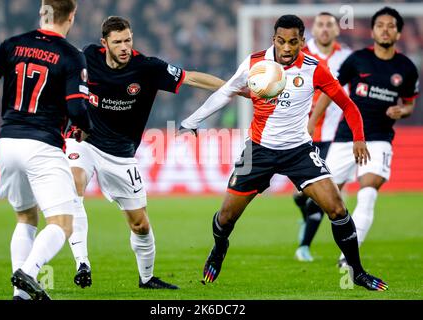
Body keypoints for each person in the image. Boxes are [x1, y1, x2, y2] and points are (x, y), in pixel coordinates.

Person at [180, 15, 388, 291]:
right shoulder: (255, 63)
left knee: (337, 209)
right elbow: (226, 92)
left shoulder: (315, 69)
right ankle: (219, 249)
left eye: (293, 42)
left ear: (303, 41)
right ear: (273, 40)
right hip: (257, 151)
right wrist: (192, 121)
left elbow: (348, 105)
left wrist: (358, 139)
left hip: (298, 151)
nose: (287, 48)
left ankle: (357, 271)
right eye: (281, 41)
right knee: (227, 216)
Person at [66, 16, 227, 290]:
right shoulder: (88, 57)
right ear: (104, 44)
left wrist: (234, 88)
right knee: (74, 186)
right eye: (117, 42)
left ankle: (147, 278)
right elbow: (62, 82)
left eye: (128, 40)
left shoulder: (147, 67)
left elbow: (191, 78)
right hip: (84, 141)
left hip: (121, 154)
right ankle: (83, 263)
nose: (124, 47)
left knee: (140, 224)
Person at [0, 0, 92, 300]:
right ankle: (29, 271)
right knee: (62, 223)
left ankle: (20, 295)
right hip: (42, 145)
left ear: (43, 12)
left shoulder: (12, 45)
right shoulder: (71, 56)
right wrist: (85, 127)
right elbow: (77, 109)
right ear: (72, 16)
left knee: (26, 218)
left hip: (7, 142)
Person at [310, 7, 419, 267]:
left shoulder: (405, 68)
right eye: (380, 25)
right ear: (372, 31)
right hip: (347, 136)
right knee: (322, 197)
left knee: (368, 192)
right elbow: (331, 91)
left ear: (398, 32)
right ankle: (340, 220)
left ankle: (347, 257)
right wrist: (312, 121)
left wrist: (402, 111)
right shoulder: (357, 59)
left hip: (379, 138)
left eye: (390, 25)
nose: (385, 29)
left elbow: (410, 104)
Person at [293, 12, 352, 262]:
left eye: (330, 25)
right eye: (320, 25)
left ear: (337, 30)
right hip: (300, 134)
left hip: (335, 136)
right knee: (303, 195)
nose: (325, 29)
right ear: (313, 30)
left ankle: (303, 247)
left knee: (326, 193)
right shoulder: (299, 56)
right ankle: (304, 209)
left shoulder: (347, 57)